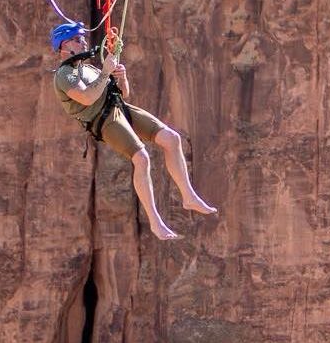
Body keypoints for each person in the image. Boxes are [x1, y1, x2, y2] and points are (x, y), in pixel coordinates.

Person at [50, 21, 216, 240]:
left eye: (82, 38)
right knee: (142, 158)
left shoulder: (87, 69)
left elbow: (124, 93)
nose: (83, 42)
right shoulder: (64, 75)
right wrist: (106, 71)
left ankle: (188, 196)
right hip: (103, 119)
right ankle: (156, 222)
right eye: (77, 39)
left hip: (119, 108)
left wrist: (121, 76)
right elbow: (88, 98)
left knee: (171, 138)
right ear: (64, 45)